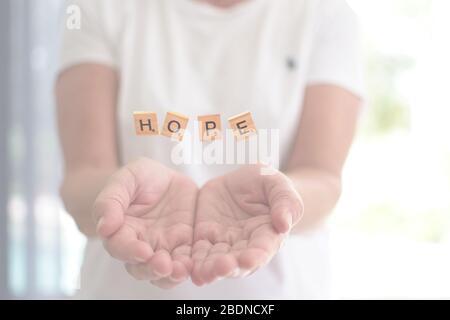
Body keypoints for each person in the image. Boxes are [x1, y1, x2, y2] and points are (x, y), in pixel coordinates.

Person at [56, 0, 363, 299]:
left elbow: (322, 176)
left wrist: (278, 197)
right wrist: (118, 194)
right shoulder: (97, 7)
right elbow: (82, 177)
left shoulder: (325, 13)